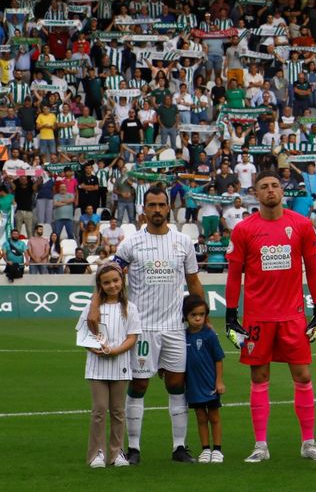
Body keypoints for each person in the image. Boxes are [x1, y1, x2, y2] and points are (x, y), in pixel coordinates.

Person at [224, 171, 316, 462]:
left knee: (303, 375)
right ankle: (260, 446)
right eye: (264, 187)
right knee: (259, 377)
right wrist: (231, 316)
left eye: (274, 186)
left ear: (281, 191)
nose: (270, 190)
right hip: (257, 317)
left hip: (293, 315)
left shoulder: (302, 225)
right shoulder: (244, 229)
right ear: (255, 195)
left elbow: (313, 269)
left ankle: (308, 443)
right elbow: (234, 275)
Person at [112, 186, 205, 465]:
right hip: (143, 328)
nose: (156, 210)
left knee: (177, 384)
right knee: (139, 384)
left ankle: (179, 447)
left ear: (168, 208)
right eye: (151, 205)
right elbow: (112, 275)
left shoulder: (183, 242)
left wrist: (205, 316)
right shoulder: (131, 243)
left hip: (175, 327)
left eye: (161, 205)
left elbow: (193, 282)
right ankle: (134, 448)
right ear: (144, 209)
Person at [83, 263, 140, 468]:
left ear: (122, 281)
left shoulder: (130, 307)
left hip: (121, 365)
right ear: (100, 284)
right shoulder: (92, 307)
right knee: (99, 410)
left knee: (118, 411)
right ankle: (96, 454)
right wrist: (96, 348)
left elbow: (132, 337)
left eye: (115, 281)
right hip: (97, 367)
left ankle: (116, 454)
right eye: (106, 282)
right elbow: (84, 335)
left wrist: (115, 351)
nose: (112, 285)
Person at [182, 295, 226, 463]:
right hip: (193, 384)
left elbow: (218, 359)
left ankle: (217, 450)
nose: (198, 318)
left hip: (210, 383)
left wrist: (219, 381)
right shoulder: (182, 335)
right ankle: (205, 449)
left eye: (201, 314)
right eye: (194, 315)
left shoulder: (210, 335)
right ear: (186, 316)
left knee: (214, 416)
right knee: (200, 417)